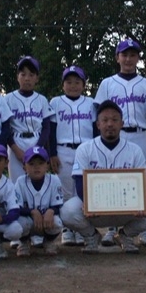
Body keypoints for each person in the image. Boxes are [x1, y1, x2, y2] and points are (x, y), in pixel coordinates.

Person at [60, 100, 146, 254]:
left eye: (115, 120)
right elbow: (79, 181)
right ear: (98, 124)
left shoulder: (134, 149)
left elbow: (145, 181)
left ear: (122, 124)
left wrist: (141, 204)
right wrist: (89, 204)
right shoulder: (85, 149)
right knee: (67, 211)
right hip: (95, 211)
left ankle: (125, 235)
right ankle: (91, 235)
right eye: (105, 120)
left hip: (126, 209)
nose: (110, 124)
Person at [94, 39, 146, 248]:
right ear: (117, 57)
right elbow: (99, 114)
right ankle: (112, 228)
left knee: (142, 178)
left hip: (139, 134)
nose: (128, 59)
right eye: (124, 54)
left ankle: (142, 228)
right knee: (112, 178)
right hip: (115, 135)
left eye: (133, 55)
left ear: (138, 58)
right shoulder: (107, 83)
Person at [49, 65, 97, 246]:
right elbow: (51, 130)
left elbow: (96, 130)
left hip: (86, 150)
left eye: (77, 82)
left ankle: (81, 228)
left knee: (83, 191)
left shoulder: (90, 103)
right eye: (68, 82)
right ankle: (67, 229)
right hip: (63, 149)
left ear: (84, 85)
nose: (73, 85)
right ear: (63, 85)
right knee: (65, 191)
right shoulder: (55, 102)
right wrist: (52, 154)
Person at [4, 55, 54, 184]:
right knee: (16, 184)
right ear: (17, 77)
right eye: (23, 74)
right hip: (16, 143)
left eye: (31, 75)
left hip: (37, 140)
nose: (27, 78)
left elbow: (46, 128)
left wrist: (37, 148)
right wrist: (16, 150)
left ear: (37, 78)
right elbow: (5, 128)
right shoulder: (8, 99)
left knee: (37, 182)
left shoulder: (42, 99)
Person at [14, 146, 64, 256]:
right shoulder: (20, 182)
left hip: (47, 222)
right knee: (18, 223)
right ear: (24, 167)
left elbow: (58, 205)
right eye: (31, 164)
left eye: (41, 163)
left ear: (47, 165)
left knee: (57, 222)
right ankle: (24, 242)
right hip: (29, 222)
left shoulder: (54, 179)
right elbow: (16, 208)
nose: (36, 167)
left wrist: (51, 210)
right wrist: (32, 212)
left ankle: (49, 242)